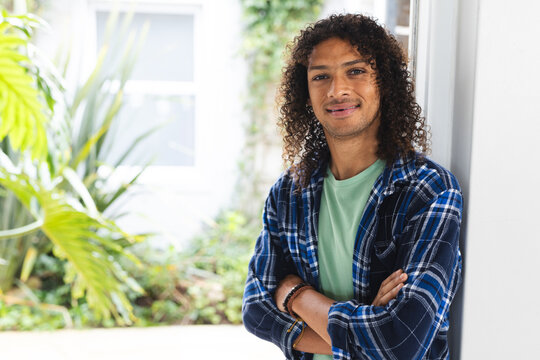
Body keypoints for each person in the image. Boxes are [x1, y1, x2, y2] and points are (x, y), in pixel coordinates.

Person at [242, 14, 463, 360]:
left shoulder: (428, 190)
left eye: (355, 71)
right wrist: (364, 334)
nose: (337, 90)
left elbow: (400, 342)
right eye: (321, 76)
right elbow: (256, 311)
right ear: (305, 92)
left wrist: (296, 295)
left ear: (384, 83)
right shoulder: (289, 193)